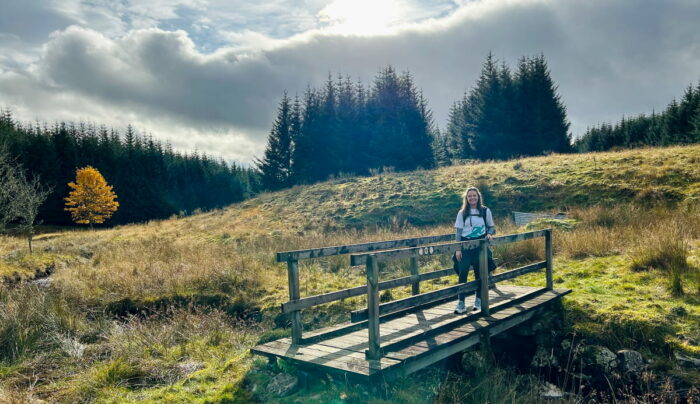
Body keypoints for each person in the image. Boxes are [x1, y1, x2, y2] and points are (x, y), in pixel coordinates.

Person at [452, 186, 497, 314]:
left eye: (474, 195)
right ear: (466, 198)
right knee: (463, 272)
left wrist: (489, 233)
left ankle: (478, 300)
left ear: (478, 197)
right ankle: (461, 303)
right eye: (470, 196)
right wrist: (458, 249)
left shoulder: (485, 211)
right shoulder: (462, 213)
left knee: (479, 272)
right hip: (465, 246)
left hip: (480, 246)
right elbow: (458, 232)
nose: (472, 198)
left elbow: (492, 227)